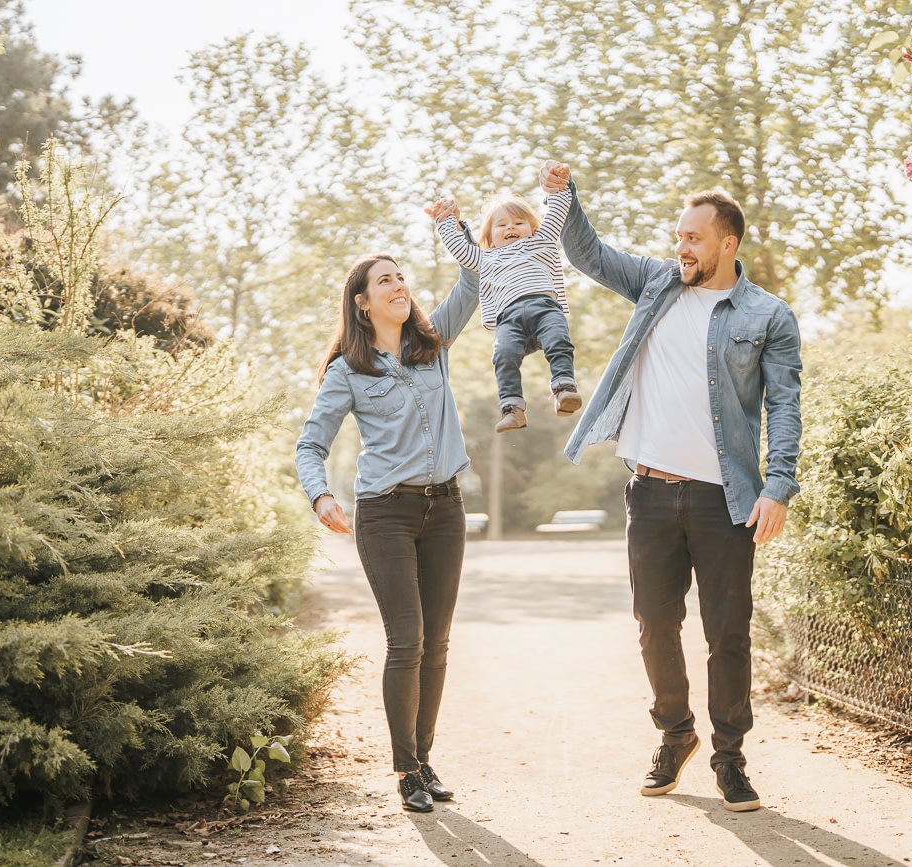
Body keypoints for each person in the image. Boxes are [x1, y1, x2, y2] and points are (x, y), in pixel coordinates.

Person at [541, 160, 803, 813]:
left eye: (693, 238)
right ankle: (675, 731)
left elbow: (785, 405)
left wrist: (779, 483)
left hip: (726, 500)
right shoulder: (657, 282)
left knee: (727, 632)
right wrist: (563, 196)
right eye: (678, 236)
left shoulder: (768, 315)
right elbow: (589, 253)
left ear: (727, 243)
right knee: (654, 623)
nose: (680, 247)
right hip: (652, 493)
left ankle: (729, 756)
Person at [294, 201, 479, 814]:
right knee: (408, 641)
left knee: (440, 641)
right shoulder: (349, 369)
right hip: (385, 514)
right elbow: (311, 443)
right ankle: (405, 771)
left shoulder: (435, 344)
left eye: (401, 276)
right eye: (384, 280)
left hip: (444, 510)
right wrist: (320, 495)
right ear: (362, 303)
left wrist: (451, 229)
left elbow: (477, 278)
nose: (398, 285)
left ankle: (425, 761)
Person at [431, 173, 581, 434]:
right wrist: (445, 220)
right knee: (503, 355)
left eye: (518, 222)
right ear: (488, 237)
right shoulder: (485, 258)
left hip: (544, 308)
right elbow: (458, 247)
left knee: (559, 339)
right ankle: (512, 408)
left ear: (532, 228)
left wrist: (558, 184)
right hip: (508, 319)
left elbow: (558, 210)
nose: (510, 228)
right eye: (501, 225)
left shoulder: (541, 241)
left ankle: (565, 389)